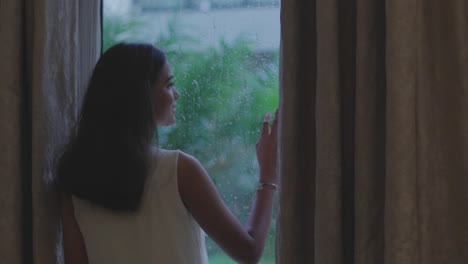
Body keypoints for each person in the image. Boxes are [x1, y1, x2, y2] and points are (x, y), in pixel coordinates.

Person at [57, 42, 278, 264]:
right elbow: (248, 252)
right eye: (168, 84)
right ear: (141, 95)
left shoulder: (76, 180)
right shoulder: (179, 171)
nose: (177, 94)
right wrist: (268, 175)